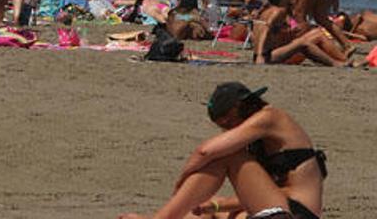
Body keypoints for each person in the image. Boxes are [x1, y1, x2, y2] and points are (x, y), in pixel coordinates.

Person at [119, 82, 326, 219]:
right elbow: (271, 191)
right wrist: (217, 206)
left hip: (295, 213)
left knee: (230, 156)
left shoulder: (271, 117)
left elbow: (205, 152)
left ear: (241, 108)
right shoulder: (261, 140)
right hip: (278, 208)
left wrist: (182, 180)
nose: (229, 130)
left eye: (228, 123)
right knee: (201, 212)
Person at [252, 0, 348, 66]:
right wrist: (260, 55)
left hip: (268, 52)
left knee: (317, 34)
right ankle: (335, 63)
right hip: (267, 56)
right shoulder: (278, 11)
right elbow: (265, 29)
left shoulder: (272, 10)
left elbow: (265, 32)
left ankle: (344, 60)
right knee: (303, 43)